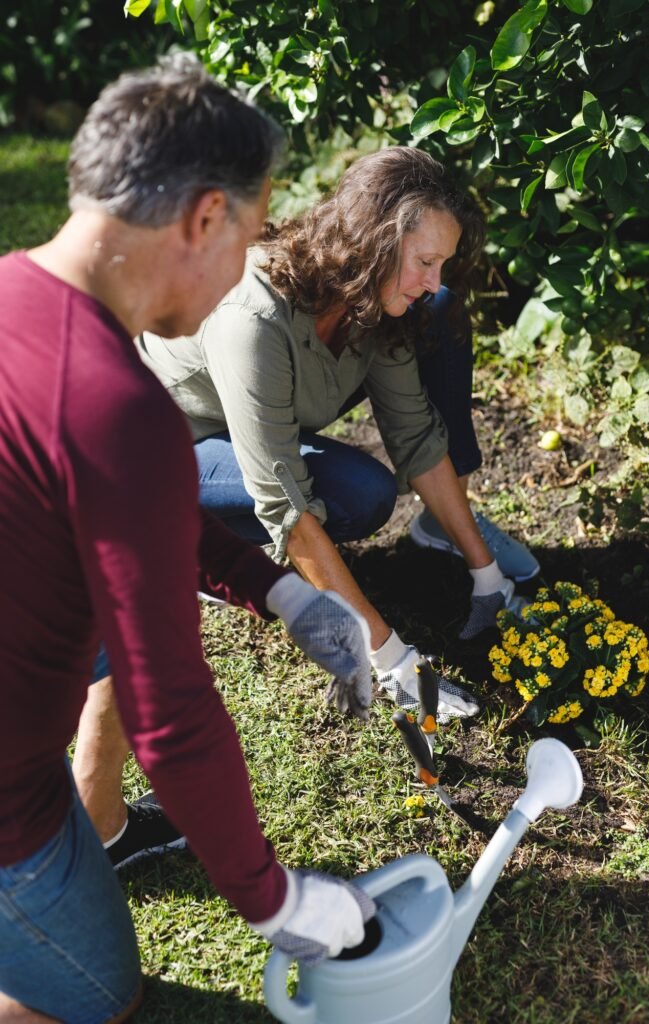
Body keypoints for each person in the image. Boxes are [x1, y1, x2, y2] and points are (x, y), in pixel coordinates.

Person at [0, 54, 376, 1024]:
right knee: (97, 993)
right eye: (248, 239)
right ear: (205, 218)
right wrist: (272, 894)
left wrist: (282, 590)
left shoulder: (16, 298)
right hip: (9, 806)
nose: (238, 280)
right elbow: (173, 713)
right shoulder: (119, 407)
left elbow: (123, 517)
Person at [137, 146, 538, 723]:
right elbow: (287, 506)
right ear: (376, 242)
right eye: (425, 262)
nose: (433, 281)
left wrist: (487, 577)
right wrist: (390, 657)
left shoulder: (371, 300)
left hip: (240, 422)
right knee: (340, 498)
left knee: (368, 485)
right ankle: (203, 553)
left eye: (441, 263)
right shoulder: (251, 318)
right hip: (154, 448)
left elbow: (416, 433)